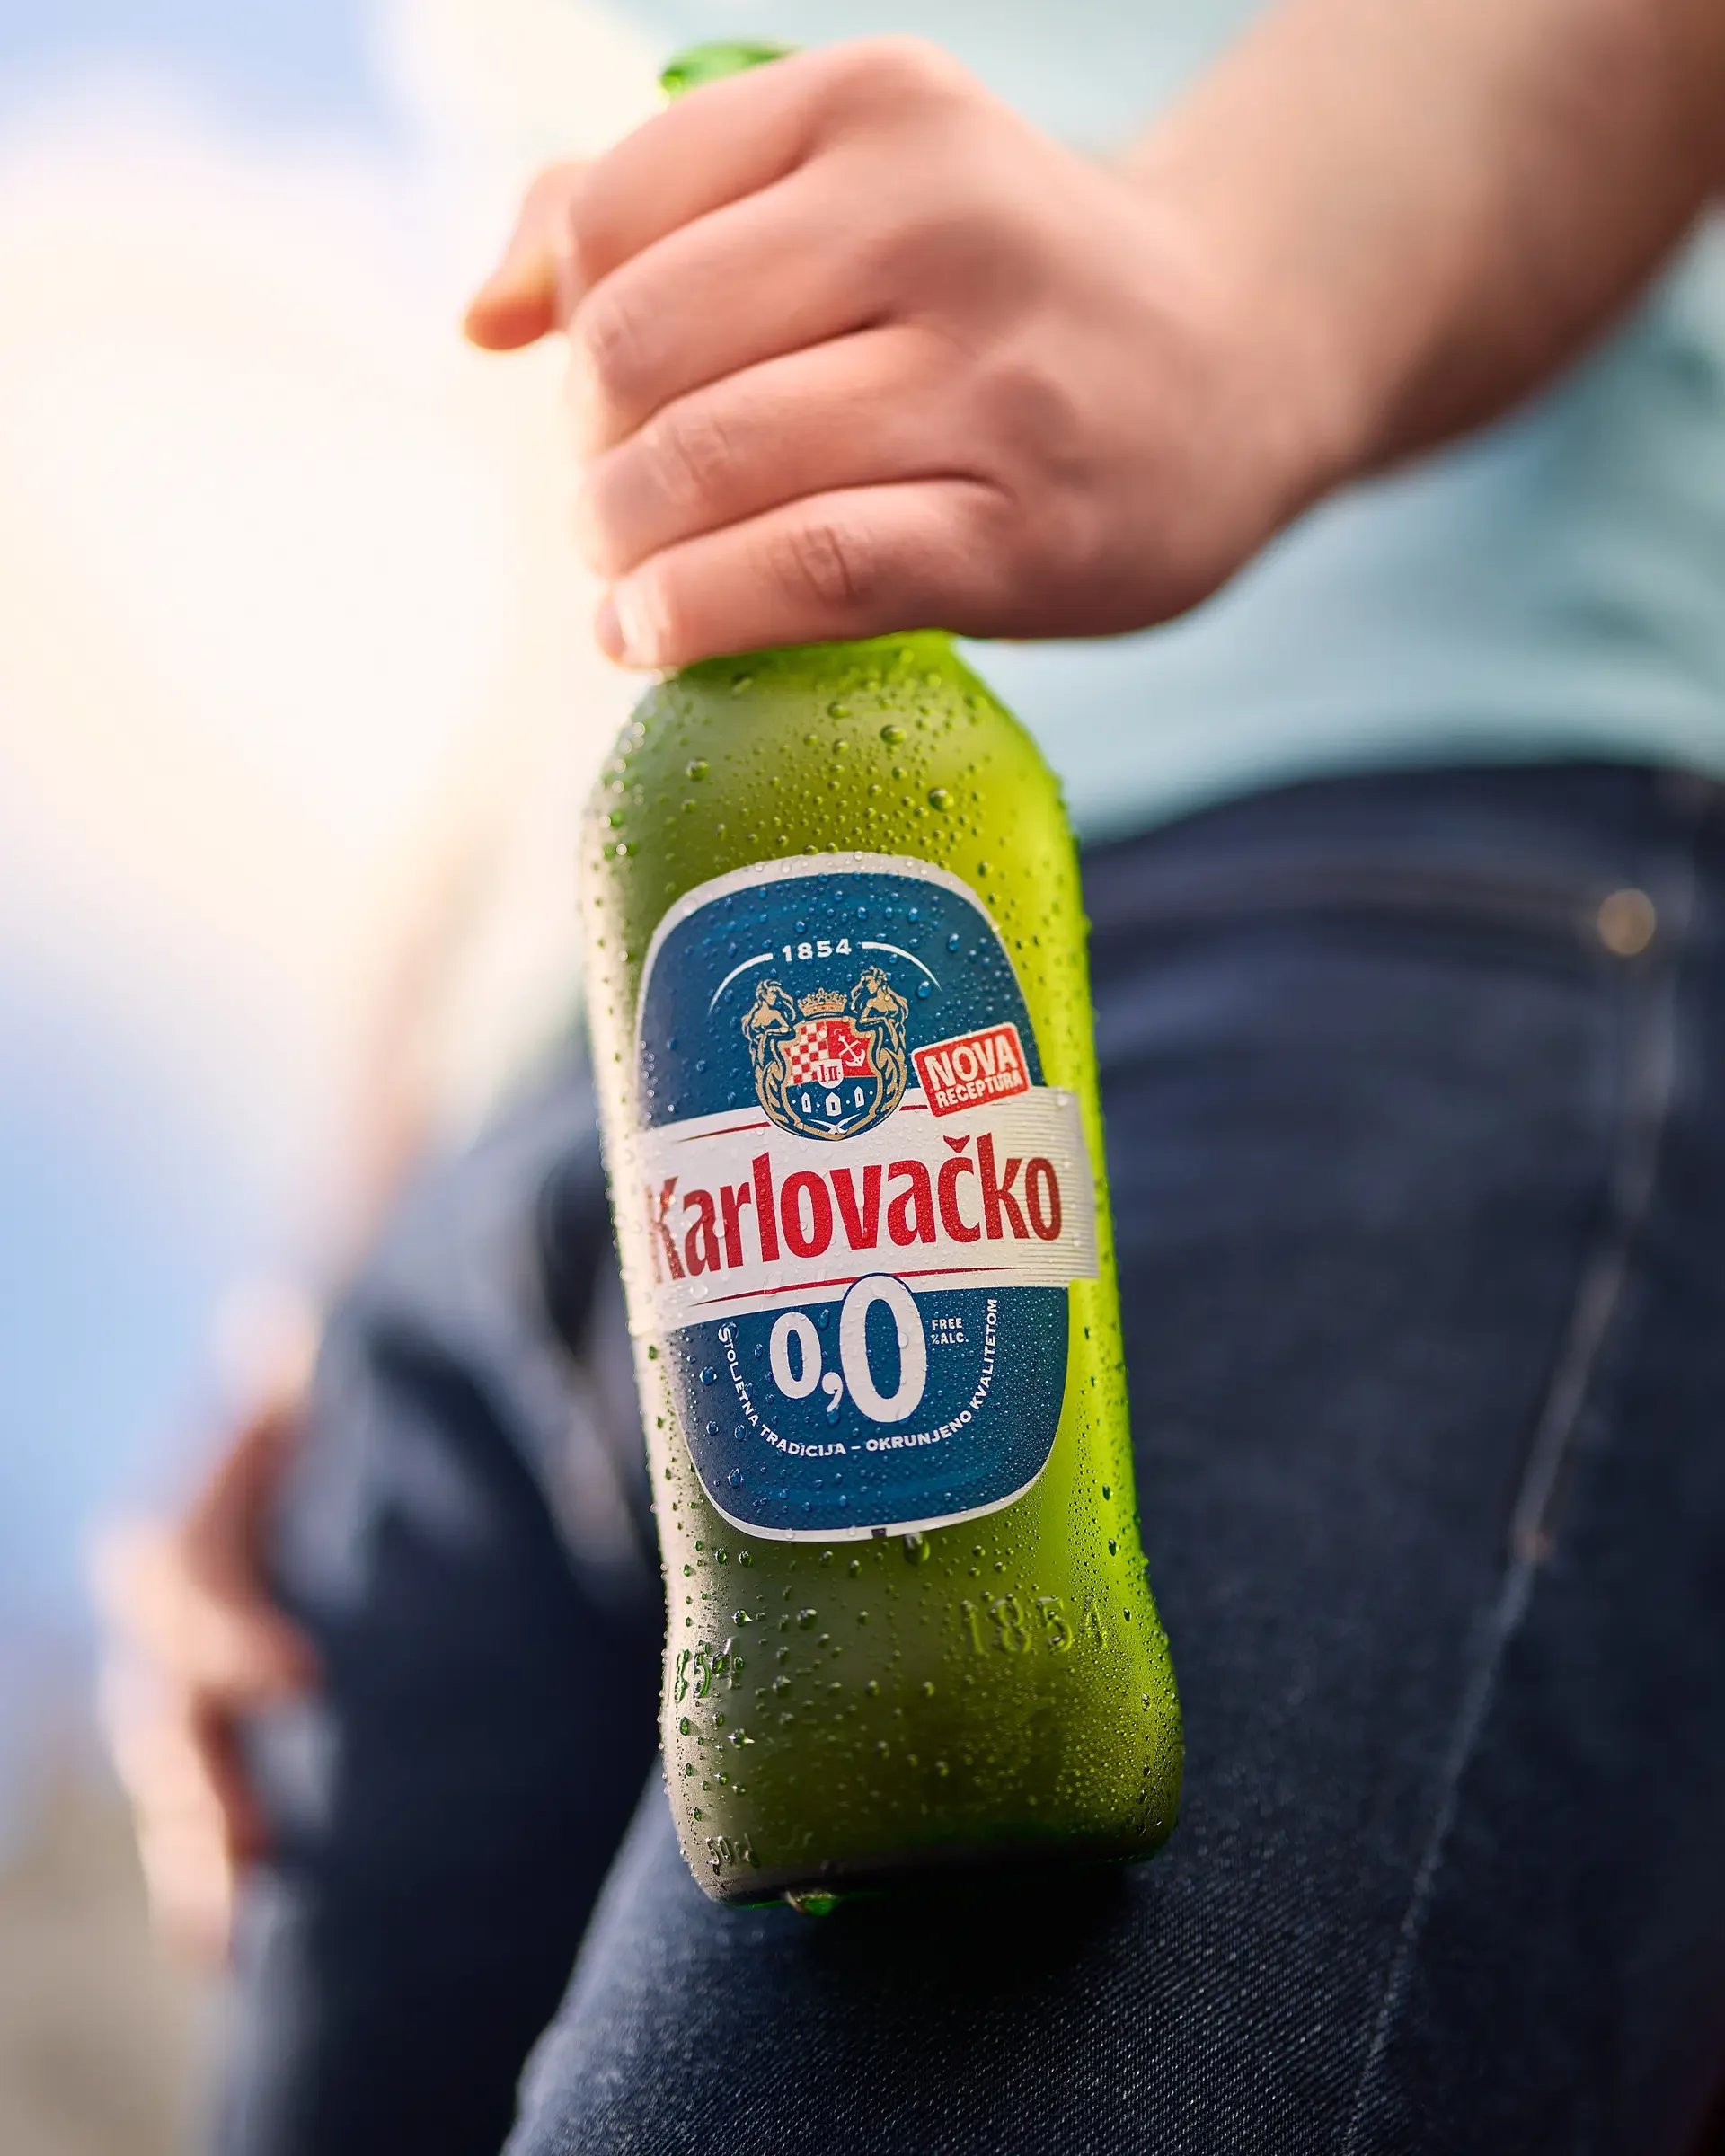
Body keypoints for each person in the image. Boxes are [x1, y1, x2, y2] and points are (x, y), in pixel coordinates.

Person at [101, 3, 1725, 2149]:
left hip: (1330, 851)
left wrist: (1231, 290)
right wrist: (336, 1269)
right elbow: (602, 507)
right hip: (573, 1145)